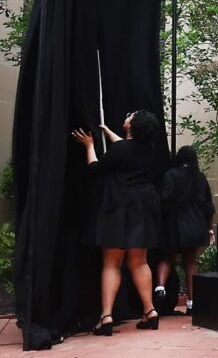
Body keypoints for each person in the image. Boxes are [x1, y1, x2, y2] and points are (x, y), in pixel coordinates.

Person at [71, 110, 162, 335]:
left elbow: (95, 168)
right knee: (140, 262)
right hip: (143, 209)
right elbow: (125, 147)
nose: (128, 115)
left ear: (132, 125)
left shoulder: (121, 150)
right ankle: (150, 311)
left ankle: (106, 316)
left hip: (118, 210)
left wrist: (89, 145)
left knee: (112, 263)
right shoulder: (148, 149)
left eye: (131, 115)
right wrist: (109, 131)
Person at [153, 146, 215, 315]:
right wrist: (210, 229)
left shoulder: (170, 175)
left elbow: (163, 200)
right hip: (195, 226)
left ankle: (160, 288)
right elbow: (208, 207)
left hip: (173, 225)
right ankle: (192, 302)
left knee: (166, 257)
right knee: (190, 261)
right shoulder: (200, 178)